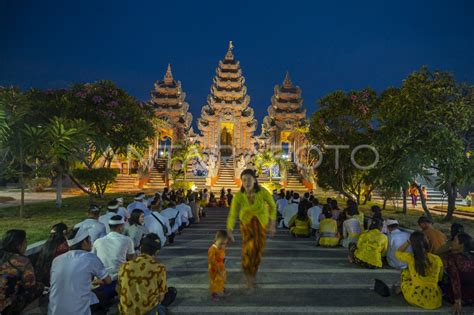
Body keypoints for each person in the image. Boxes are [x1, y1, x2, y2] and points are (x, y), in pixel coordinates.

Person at [227, 169, 276, 291]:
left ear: (255, 180)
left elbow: (273, 207)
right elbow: (233, 213)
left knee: (258, 252)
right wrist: (229, 229)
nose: (246, 182)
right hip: (247, 226)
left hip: (261, 225)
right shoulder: (239, 196)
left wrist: (272, 224)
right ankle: (248, 278)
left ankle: (252, 274)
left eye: (249, 179)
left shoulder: (263, 192)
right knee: (248, 251)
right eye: (244, 180)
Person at [48, 227, 112, 315]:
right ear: (84, 242)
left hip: (54, 311)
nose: (91, 242)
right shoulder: (90, 258)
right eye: (89, 239)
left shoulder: (57, 260)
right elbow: (108, 281)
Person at [117, 233, 177, 315]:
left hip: (126, 311)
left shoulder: (125, 265)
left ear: (141, 247)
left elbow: (118, 289)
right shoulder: (159, 268)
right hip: (148, 312)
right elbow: (161, 296)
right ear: (157, 252)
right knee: (172, 292)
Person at [395, 231, 443, 310]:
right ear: (426, 243)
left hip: (415, 296)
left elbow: (398, 252)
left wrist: (408, 242)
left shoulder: (410, 258)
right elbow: (440, 277)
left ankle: (400, 288)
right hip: (435, 299)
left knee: (405, 272)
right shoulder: (437, 259)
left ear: (413, 244)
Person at [0, 229, 42, 314]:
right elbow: (30, 285)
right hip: (6, 306)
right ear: (19, 245)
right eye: (25, 241)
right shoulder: (22, 261)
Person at [92, 215, 135, 280]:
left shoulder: (98, 241)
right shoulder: (127, 240)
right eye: (123, 225)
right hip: (119, 277)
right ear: (120, 227)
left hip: (101, 278)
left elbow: (93, 259)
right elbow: (131, 258)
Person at [443, 232, 474, 314]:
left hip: (461, 295)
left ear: (461, 245)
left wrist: (457, 301)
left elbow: (455, 279)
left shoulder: (453, 258)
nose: (452, 242)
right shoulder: (472, 256)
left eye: (455, 240)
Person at [208, 230, 230, 301]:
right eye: (221, 243)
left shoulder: (221, 248)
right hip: (214, 269)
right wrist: (218, 270)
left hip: (221, 266)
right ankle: (214, 294)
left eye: (224, 244)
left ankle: (222, 287)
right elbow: (212, 261)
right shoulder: (212, 249)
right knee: (215, 281)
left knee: (223, 277)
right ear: (215, 240)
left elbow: (223, 257)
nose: (223, 246)